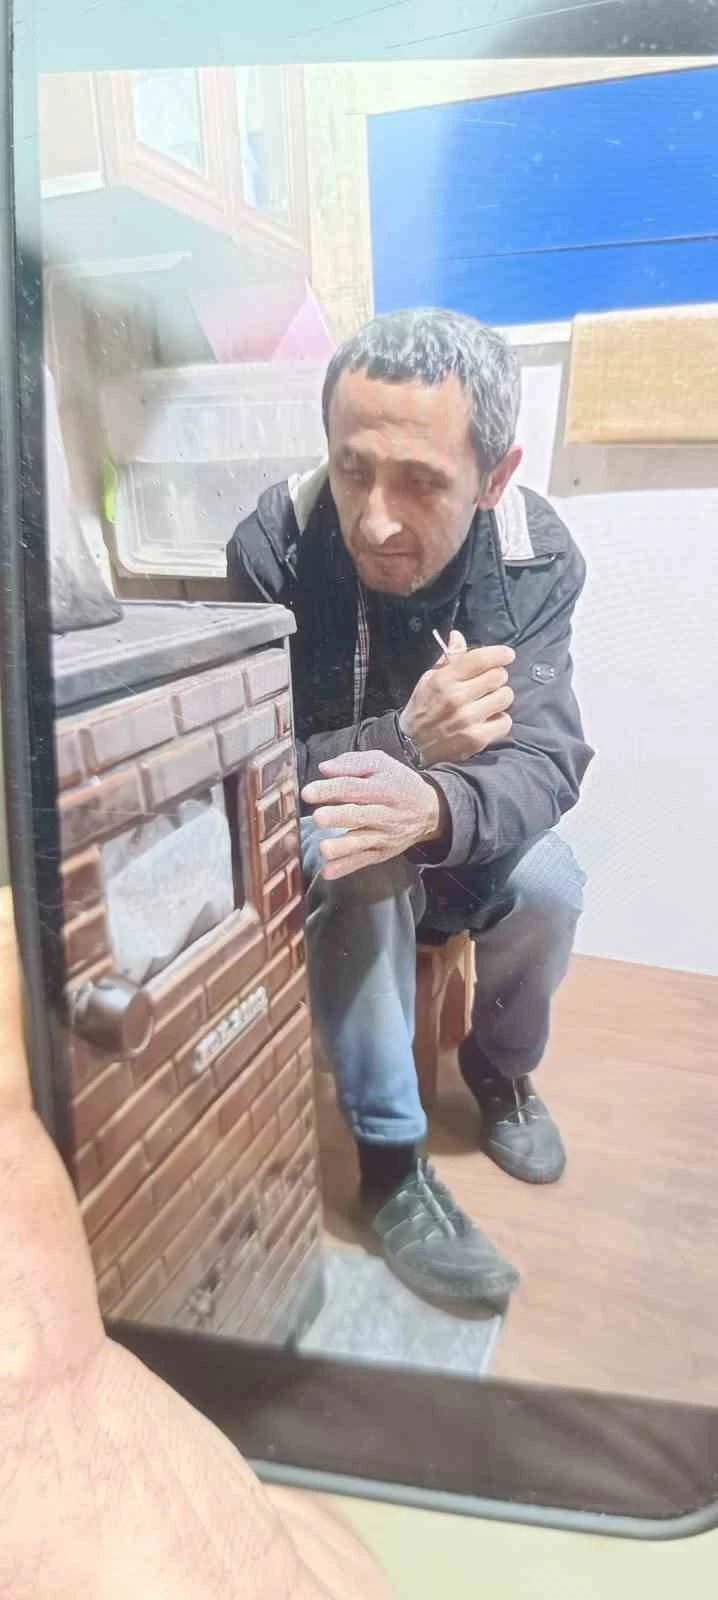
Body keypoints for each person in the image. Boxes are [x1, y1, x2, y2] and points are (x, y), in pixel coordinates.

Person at [227, 309, 592, 1306]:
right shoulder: (272, 546)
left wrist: (431, 800)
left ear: (495, 476)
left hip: (459, 823)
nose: (375, 521)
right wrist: (403, 744)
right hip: (337, 838)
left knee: (553, 882)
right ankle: (389, 1170)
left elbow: (548, 755)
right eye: (352, 470)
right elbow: (254, 770)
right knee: (361, 848)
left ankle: (500, 1071)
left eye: (422, 483)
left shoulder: (533, 556)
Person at [0, 889, 390, 1599]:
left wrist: (444, 822)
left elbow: (530, 792)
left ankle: (398, 1160)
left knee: (387, 883)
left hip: (450, 853)